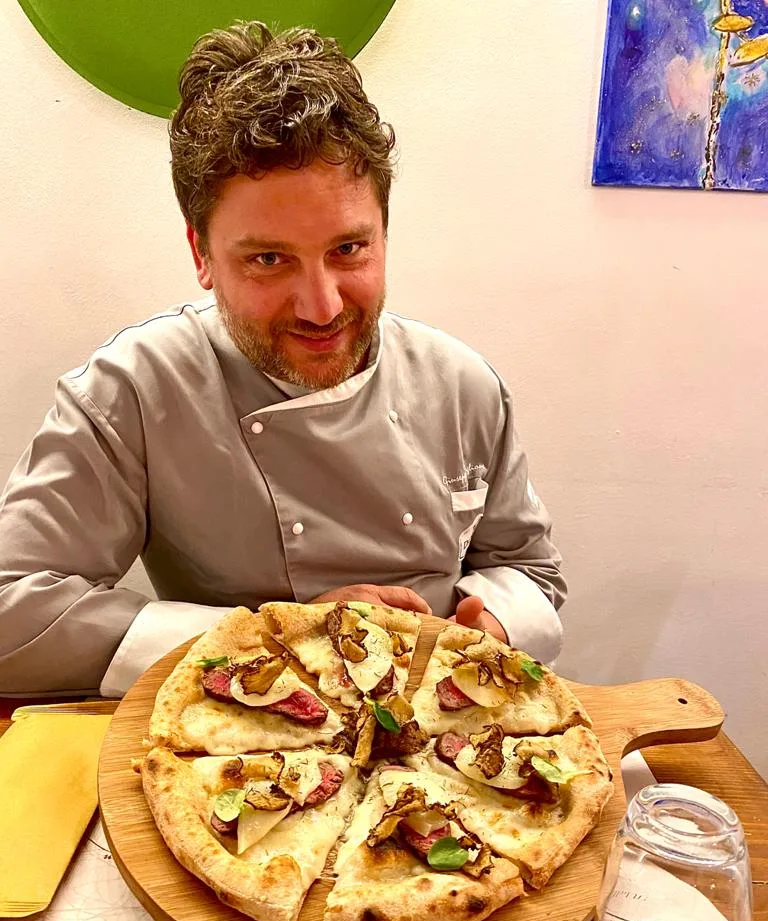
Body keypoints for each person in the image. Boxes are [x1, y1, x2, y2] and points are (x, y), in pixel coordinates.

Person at [0, 21, 565, 698]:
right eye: (269, 259)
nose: (322, 307)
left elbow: (532, 572)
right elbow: (10, 611)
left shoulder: (463, 384)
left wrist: (486, 625)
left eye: (349, 250)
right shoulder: (136, 389)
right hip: (239, 736)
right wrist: (280, 636)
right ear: (202, 255)